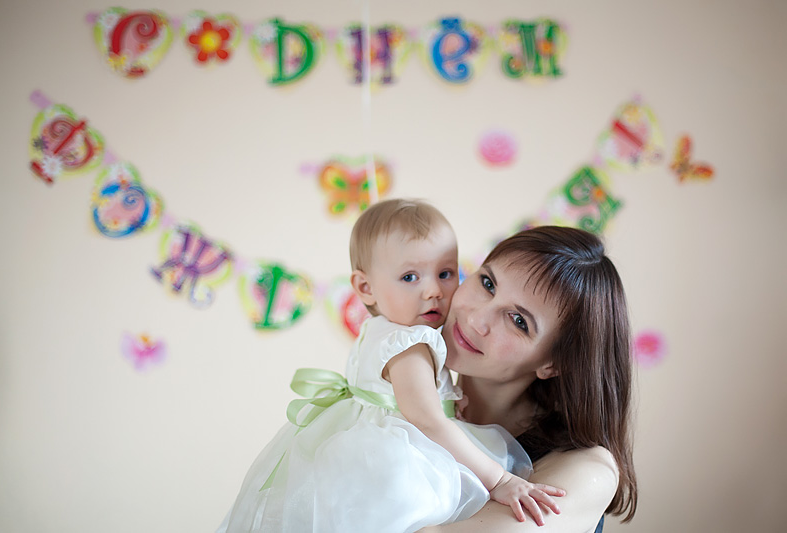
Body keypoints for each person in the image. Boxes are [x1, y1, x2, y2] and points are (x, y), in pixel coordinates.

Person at [217, 199, 564, 533]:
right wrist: (499, 479)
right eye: (410, 277)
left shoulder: (386, 332)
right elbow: (427, 420)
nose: (433, 290)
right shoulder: (408, 344)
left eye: (445, 273)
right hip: (392, 466)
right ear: (365, 287)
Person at [421, 225, 638, 532]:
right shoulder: (414, 403)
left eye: (519, 321)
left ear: (553, 364)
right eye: (488, 284)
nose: (476, 318)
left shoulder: (588, 468)